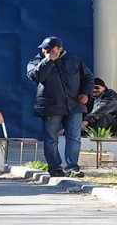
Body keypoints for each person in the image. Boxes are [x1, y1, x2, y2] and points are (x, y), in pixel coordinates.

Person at [27, 36, 93, 178]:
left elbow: (88, 78)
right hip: (51, 107)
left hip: (74, 106)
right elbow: (36, 76)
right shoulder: (36, 61)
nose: (46, 51)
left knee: (74, 138)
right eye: (45, 49)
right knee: (51, 139)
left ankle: (72, 167)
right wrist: (49, 60)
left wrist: (85, 93)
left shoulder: (74, 61)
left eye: (51, 49)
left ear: (60, 49)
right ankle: (55, 168)